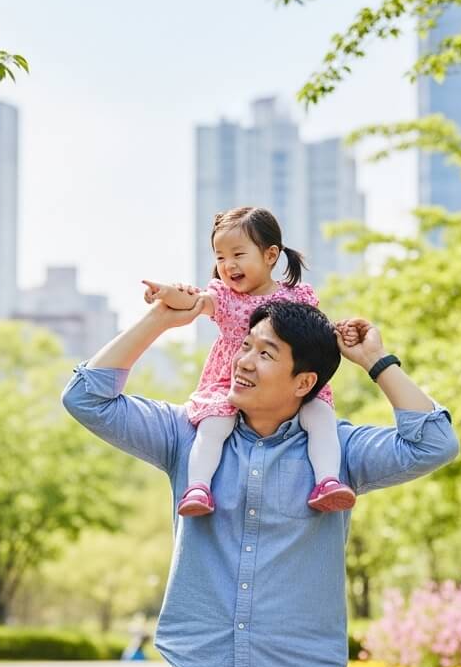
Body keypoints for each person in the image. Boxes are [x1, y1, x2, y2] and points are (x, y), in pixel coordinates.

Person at [61, 296, 459, 667]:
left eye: (265, 353)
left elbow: (434, 444)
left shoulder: (338, 453)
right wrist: (159, 320)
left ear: (304, 382)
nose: (243, 362)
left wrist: (377, 361)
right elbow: (86, 398)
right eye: (246, 346)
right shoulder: (187, 437)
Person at [141, 205, 354, 518]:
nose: (228, 265)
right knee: (215, 425)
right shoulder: (224, 296)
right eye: (220, 256)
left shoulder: (298, 296)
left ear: (270, 255)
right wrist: (168, 293)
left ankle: (326, 481)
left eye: (238, 254)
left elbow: (314, 332)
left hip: (285, 379)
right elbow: (195, 302)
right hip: (230, 380)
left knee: (320, 417)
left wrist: (343, 333)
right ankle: (198, 486)